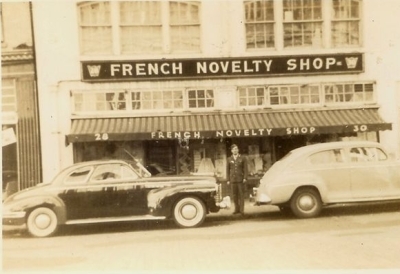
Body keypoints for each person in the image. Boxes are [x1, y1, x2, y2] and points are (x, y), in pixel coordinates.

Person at [226, 144, 248, 215]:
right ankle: (236, 209)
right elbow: (227, 170)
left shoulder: (242, 158)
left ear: (238, 150)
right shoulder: (229, 159)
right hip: (233, 180)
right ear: (231, 151)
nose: (235, 150)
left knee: (241, 195)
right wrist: (228, 179)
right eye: (233, 149)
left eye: (236, 149)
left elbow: (245, 169)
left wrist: (245, 177)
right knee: (234, 195)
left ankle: (242, 210)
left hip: (240, 179)